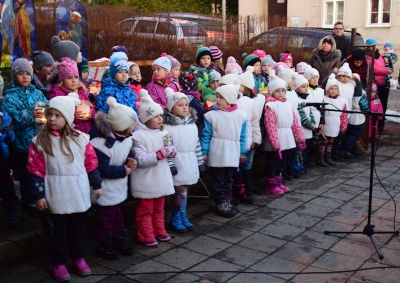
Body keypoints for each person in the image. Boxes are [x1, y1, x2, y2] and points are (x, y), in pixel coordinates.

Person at [26, 93, 103, 281]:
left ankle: (78, 257)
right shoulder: (40, 142)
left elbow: (90, 164)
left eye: (57, 115)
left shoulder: (81, 139)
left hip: (78, 192)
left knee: (78, 229)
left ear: (67, 118)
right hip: (56, 192)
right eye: (50, 114)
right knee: (58, 231)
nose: (52, 119)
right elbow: (34, 170)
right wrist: (39, 195)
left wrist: (96, 185)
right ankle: (58, 262)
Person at [90, 97, 138, 260]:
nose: (135, 125)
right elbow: (102, 168)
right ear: (122, 126)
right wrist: (123, 170)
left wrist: (128, 161)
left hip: (118, 186)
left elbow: (120, 156)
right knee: (106, 218)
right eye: (132, 122)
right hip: (105, 188)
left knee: (117, 215)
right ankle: (103, 243)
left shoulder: (126, 138)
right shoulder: (100, 144)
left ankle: (118, 238)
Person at [130, 89, 175, 247]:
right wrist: (159, 154)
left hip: (160, 178)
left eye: (161, 115)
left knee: (159, 207)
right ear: (147, 118)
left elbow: (169, 147)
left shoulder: (164, 133)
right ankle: (145, 234)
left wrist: (171, 152)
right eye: (156, 116)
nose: (160, 119)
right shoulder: (138, 136)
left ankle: (159, 229)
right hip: (146, 180)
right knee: (146, 209)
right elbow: (140, 159)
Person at [2, 58, 48, 209]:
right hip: (21, 143)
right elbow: (13, 117)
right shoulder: (9, 97)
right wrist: (30, 115)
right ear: (14, 76)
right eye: (20, 74)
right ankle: (28, 201)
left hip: (39, 139)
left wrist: (45, 114)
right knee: (25, 173)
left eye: (27, 73)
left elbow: (47, 107)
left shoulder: (37, 93)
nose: (25, 77)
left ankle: (41, 196)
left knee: (40, 169)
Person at [201, 84, 248, 218]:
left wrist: (243, 152)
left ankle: (227, 200)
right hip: (218, 151)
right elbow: (206, 135)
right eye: (217, 97)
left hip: (232, 151)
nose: (217, 100)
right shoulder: (212, 116)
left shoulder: (240, 116)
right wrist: (205, 152)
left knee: (229, 179)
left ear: (230, 99)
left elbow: (243, 136)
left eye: (221, 97)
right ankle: (220, 202)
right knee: (218, 179)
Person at [163, 88, 204, 232]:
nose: (185, 107)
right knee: (181, 192)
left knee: (185, 191)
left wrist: (199, 162)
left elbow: (196, 144)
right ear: (171, 108)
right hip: (178, 162)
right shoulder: (167, 128)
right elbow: (167, 148)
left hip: (190, 161)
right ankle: (175, 217)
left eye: (186, 104)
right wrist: (170, 165)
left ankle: (182, 215)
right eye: (180, 105)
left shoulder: (192, 125)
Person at [262, 74, 305, 195]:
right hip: (276, 138)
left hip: (287, 137)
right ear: (272, 92)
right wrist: (275, 145)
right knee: (273, 162)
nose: (281, 93)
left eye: (282, 90)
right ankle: (271, 184)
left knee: (282, 162)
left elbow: (294, 123)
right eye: (277, 91)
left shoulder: (288, 104)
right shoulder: (270, 105)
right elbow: (270, 126)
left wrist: (300, 138)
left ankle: (279, 181)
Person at [49, 57, 95, 134]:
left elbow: (92, 109)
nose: (74, 81)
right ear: (62, 80)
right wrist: (75, 113)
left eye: (76, 77)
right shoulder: (58, 95)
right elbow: (59, 114)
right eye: (69, 78)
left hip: (87, 131)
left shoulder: (82, 91)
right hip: (69, 133)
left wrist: (90, 113)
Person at [318, 74, 348, 167]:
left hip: (335, 124)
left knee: (331, 142)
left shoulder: (342, 100)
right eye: (331, 88)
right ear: (327, 90)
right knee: (324, 142)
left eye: (335, 89)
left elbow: (344, 114)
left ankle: (328, 157)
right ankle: (321, 158)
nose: (334, 91)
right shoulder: (323, 99)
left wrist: (343, 125)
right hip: (326, 123)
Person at [365, 38, 391, 132]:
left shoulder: (380, 55)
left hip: (383, 83)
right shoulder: (367, 56)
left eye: (374, 45)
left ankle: (381, 123)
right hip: (374, 85)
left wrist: (387, 69)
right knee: (373, 104)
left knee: (383, 104)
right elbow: (374, 68)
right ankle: (372, 125)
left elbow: (386, 64)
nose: (373, 47)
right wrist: (387, 71)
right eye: (371, 45)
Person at [340, 73, 369, 158]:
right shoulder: (361, 93)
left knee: (349, 133)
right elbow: (363, 105)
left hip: (349, 114)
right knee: (354, 134)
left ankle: (352, 149)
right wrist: (367, 111)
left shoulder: (347, 91)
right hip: (357, 115)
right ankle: (346, 149)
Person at [0, 109, 18, 227]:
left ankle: (13, 213)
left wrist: (5, 134)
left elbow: (10, 133)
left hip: (2, 154)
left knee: (5, 182)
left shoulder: (2, 114)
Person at [294, 74, 315, 172]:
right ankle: (298, 165)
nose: (306, 89)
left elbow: (310, 112)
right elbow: (301, 115)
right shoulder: (297, 100)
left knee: (306, 148)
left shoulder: (307, 98)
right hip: (302, 129)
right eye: (303, 87)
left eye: (307, 86)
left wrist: (313, 122)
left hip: (308, 129)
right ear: (297, 89)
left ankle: (304, 163)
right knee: (299, 150)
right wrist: (310, 125)